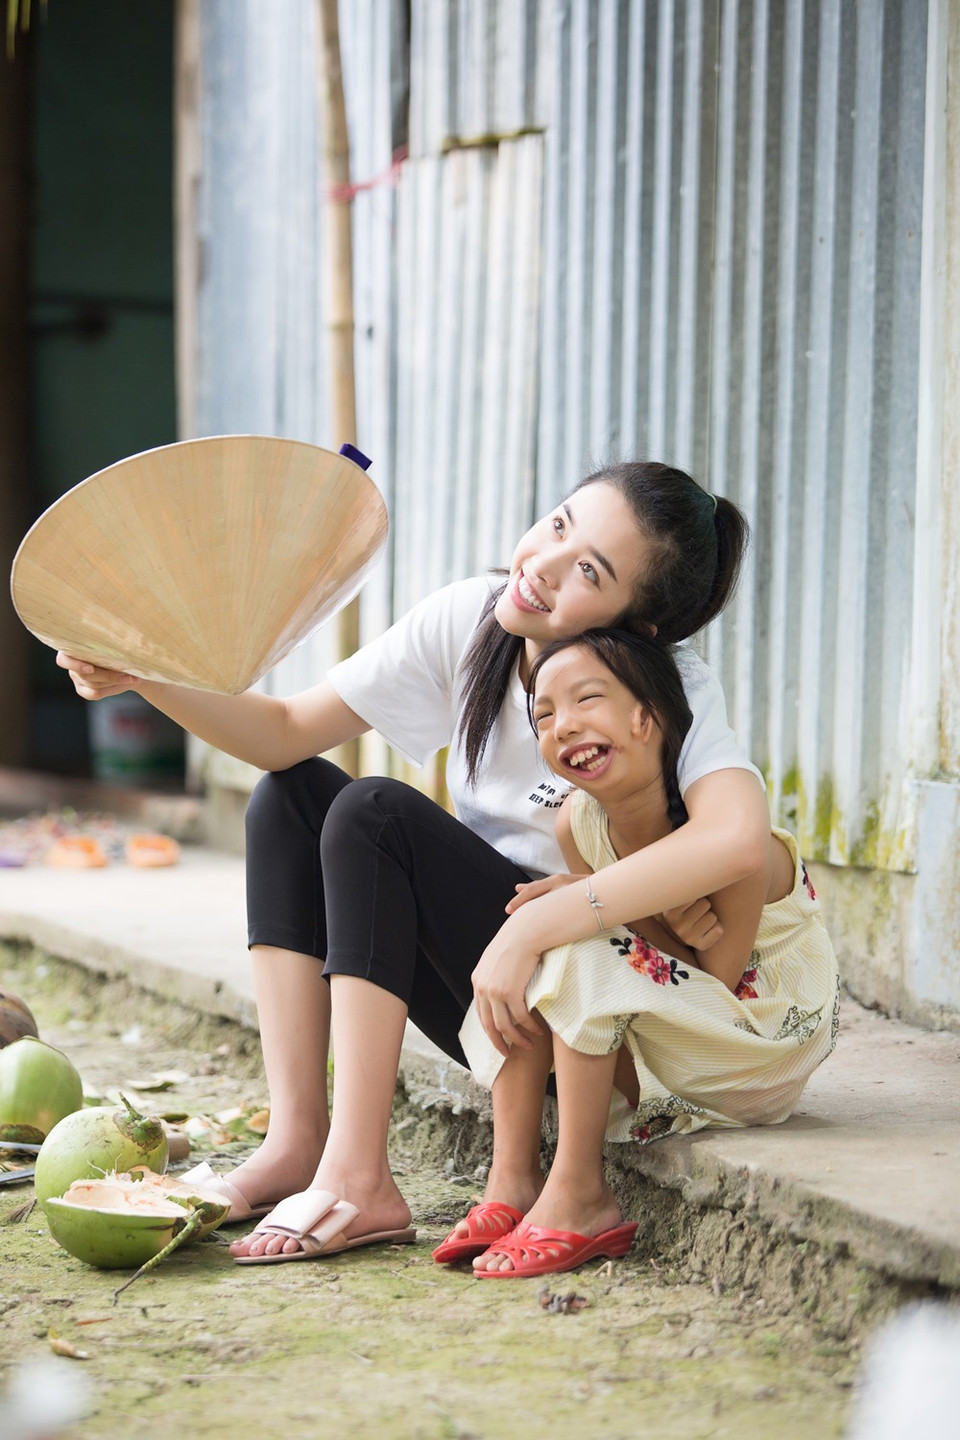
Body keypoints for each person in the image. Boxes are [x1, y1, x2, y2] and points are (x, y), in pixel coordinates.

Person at [59, 460, 771, 1265]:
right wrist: (143, 673)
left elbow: (737, 839)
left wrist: (540, 924)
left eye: (588, 572)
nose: (542, 564)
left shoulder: (670, 691)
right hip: (493, 999)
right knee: (290, 796)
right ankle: (299, 1139)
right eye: (560, 525)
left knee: (375, 813)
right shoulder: (475, 620)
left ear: (633, 628)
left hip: (591, 1026)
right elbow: (285, 729)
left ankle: (360, 1179)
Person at [441, 630, 839, 1278]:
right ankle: (511, 1179)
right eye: (544, 715)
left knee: (569, 938)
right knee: (549, 933)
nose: (563, 726)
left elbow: (715, 980)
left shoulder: (730, 844)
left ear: (646, 715)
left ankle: (580, 1195)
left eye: (585, 700)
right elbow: (630, 945)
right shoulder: (578, 821)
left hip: (751, 1045)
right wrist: (587, 898)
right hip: (666, 1049)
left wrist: (598, 904)